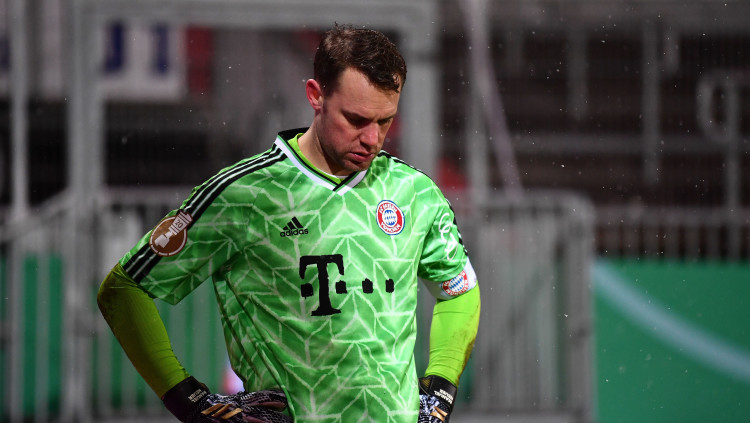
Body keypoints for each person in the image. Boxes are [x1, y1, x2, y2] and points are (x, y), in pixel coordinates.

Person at [97, 23, 480, 423]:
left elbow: (459, 290)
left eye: (384, 121)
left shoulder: (414, 193)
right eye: (356, 119)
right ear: (316, 95)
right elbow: (124, 289)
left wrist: (440, 387)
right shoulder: (244, 194)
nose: (372, 138)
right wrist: (189, 401)